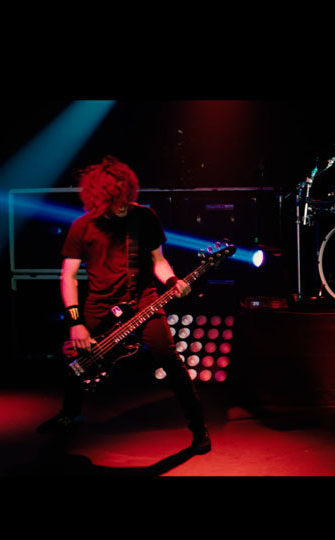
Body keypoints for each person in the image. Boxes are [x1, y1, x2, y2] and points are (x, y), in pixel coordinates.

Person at [37, 156, 210, 455]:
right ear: (99, 197)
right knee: (79, 364)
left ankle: (198, 427)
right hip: (99, 305)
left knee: (170, 360)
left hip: (143, 300)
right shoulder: (82, 227)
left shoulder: (144, 217)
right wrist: (76, 322)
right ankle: (69, 414)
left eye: (126, 196)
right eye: (115, 199)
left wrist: (172, 282)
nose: (122, 204)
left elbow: (159, 261)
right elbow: (68, 277)